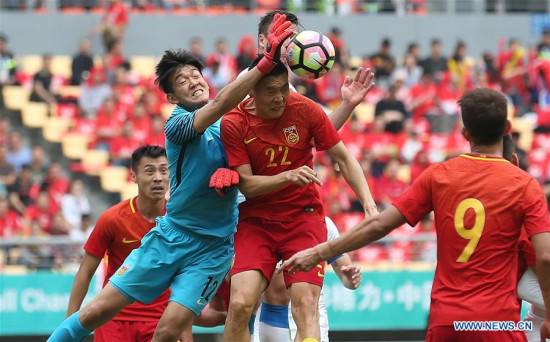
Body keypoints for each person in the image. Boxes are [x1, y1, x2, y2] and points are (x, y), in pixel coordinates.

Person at [47, 13, 294, 342]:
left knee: (168, 331)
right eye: (183, 80)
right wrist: (263, 61)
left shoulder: (234, 125)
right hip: (172, 236)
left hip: (214, 248)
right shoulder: (177, 124)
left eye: (196, 74)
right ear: (173, 97)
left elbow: (276, 120)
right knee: (94, 313)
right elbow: (224, 100)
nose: (194, 81)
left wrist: (234, 174)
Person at [281, 88, 550, 341]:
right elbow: (545, 256)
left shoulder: (439, 175)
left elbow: (378, 226)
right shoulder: (524, 184)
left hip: (446, 321)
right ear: (506, 129)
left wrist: (318, 253)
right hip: (496, 323)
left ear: (464, 132)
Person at [221, 56, 377, 342]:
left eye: (284, 88)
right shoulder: (233, 123)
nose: (280, 97)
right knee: (240, 304)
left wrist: (370, 207)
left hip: (303, 218)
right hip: (256, 221)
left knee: (306, 306)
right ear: (251, 90)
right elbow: (248, 185)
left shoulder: (305, 109)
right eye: (270, 90)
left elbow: (343, 158)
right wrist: (288, 176)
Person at [65, 146, 173, 342]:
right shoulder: (112, 219)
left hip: (161, 321)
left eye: (163, 171)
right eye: (150, 171)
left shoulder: (179, 219)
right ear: (134, 177)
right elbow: (85, 272)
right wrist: (68, 327)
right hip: (113, 318)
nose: (158, 177)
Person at [253, 217, 361, 342]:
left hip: (312, 319)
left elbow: (347, 277)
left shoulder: (324, 224)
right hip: (270, 322)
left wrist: (351, 279)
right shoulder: (261, 221)